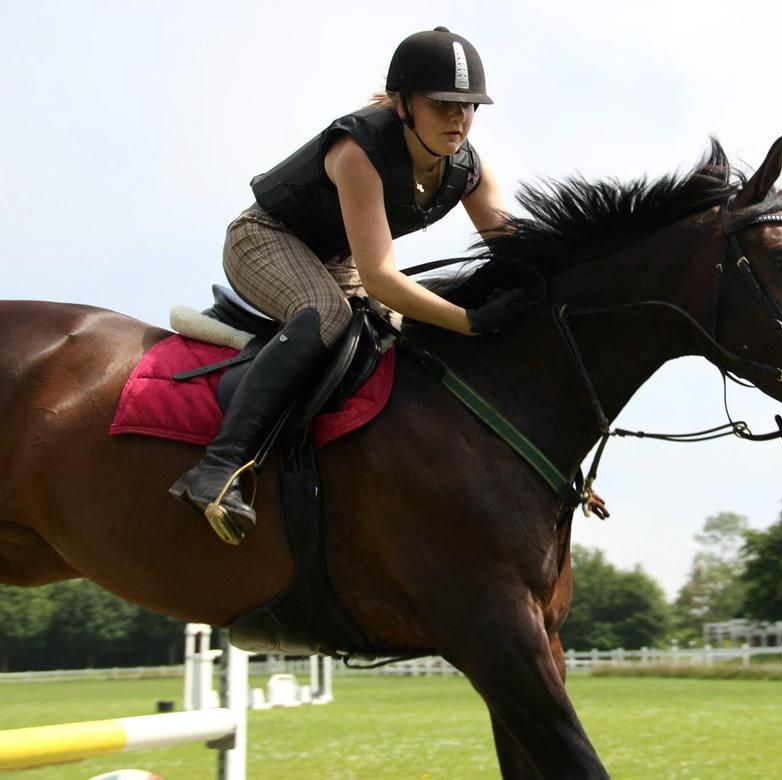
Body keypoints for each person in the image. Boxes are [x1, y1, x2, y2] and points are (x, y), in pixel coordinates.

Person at [170, 27, 530, 543]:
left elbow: (516, 253)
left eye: (469, 106)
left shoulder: (467, 168)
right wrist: (468, 321)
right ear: (404, 104)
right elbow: (382, 278)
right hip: (265, 239)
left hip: (339, 262)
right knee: (329, 315)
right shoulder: (359, 149)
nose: (459, 118)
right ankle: (216, 469)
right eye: (443, 104)